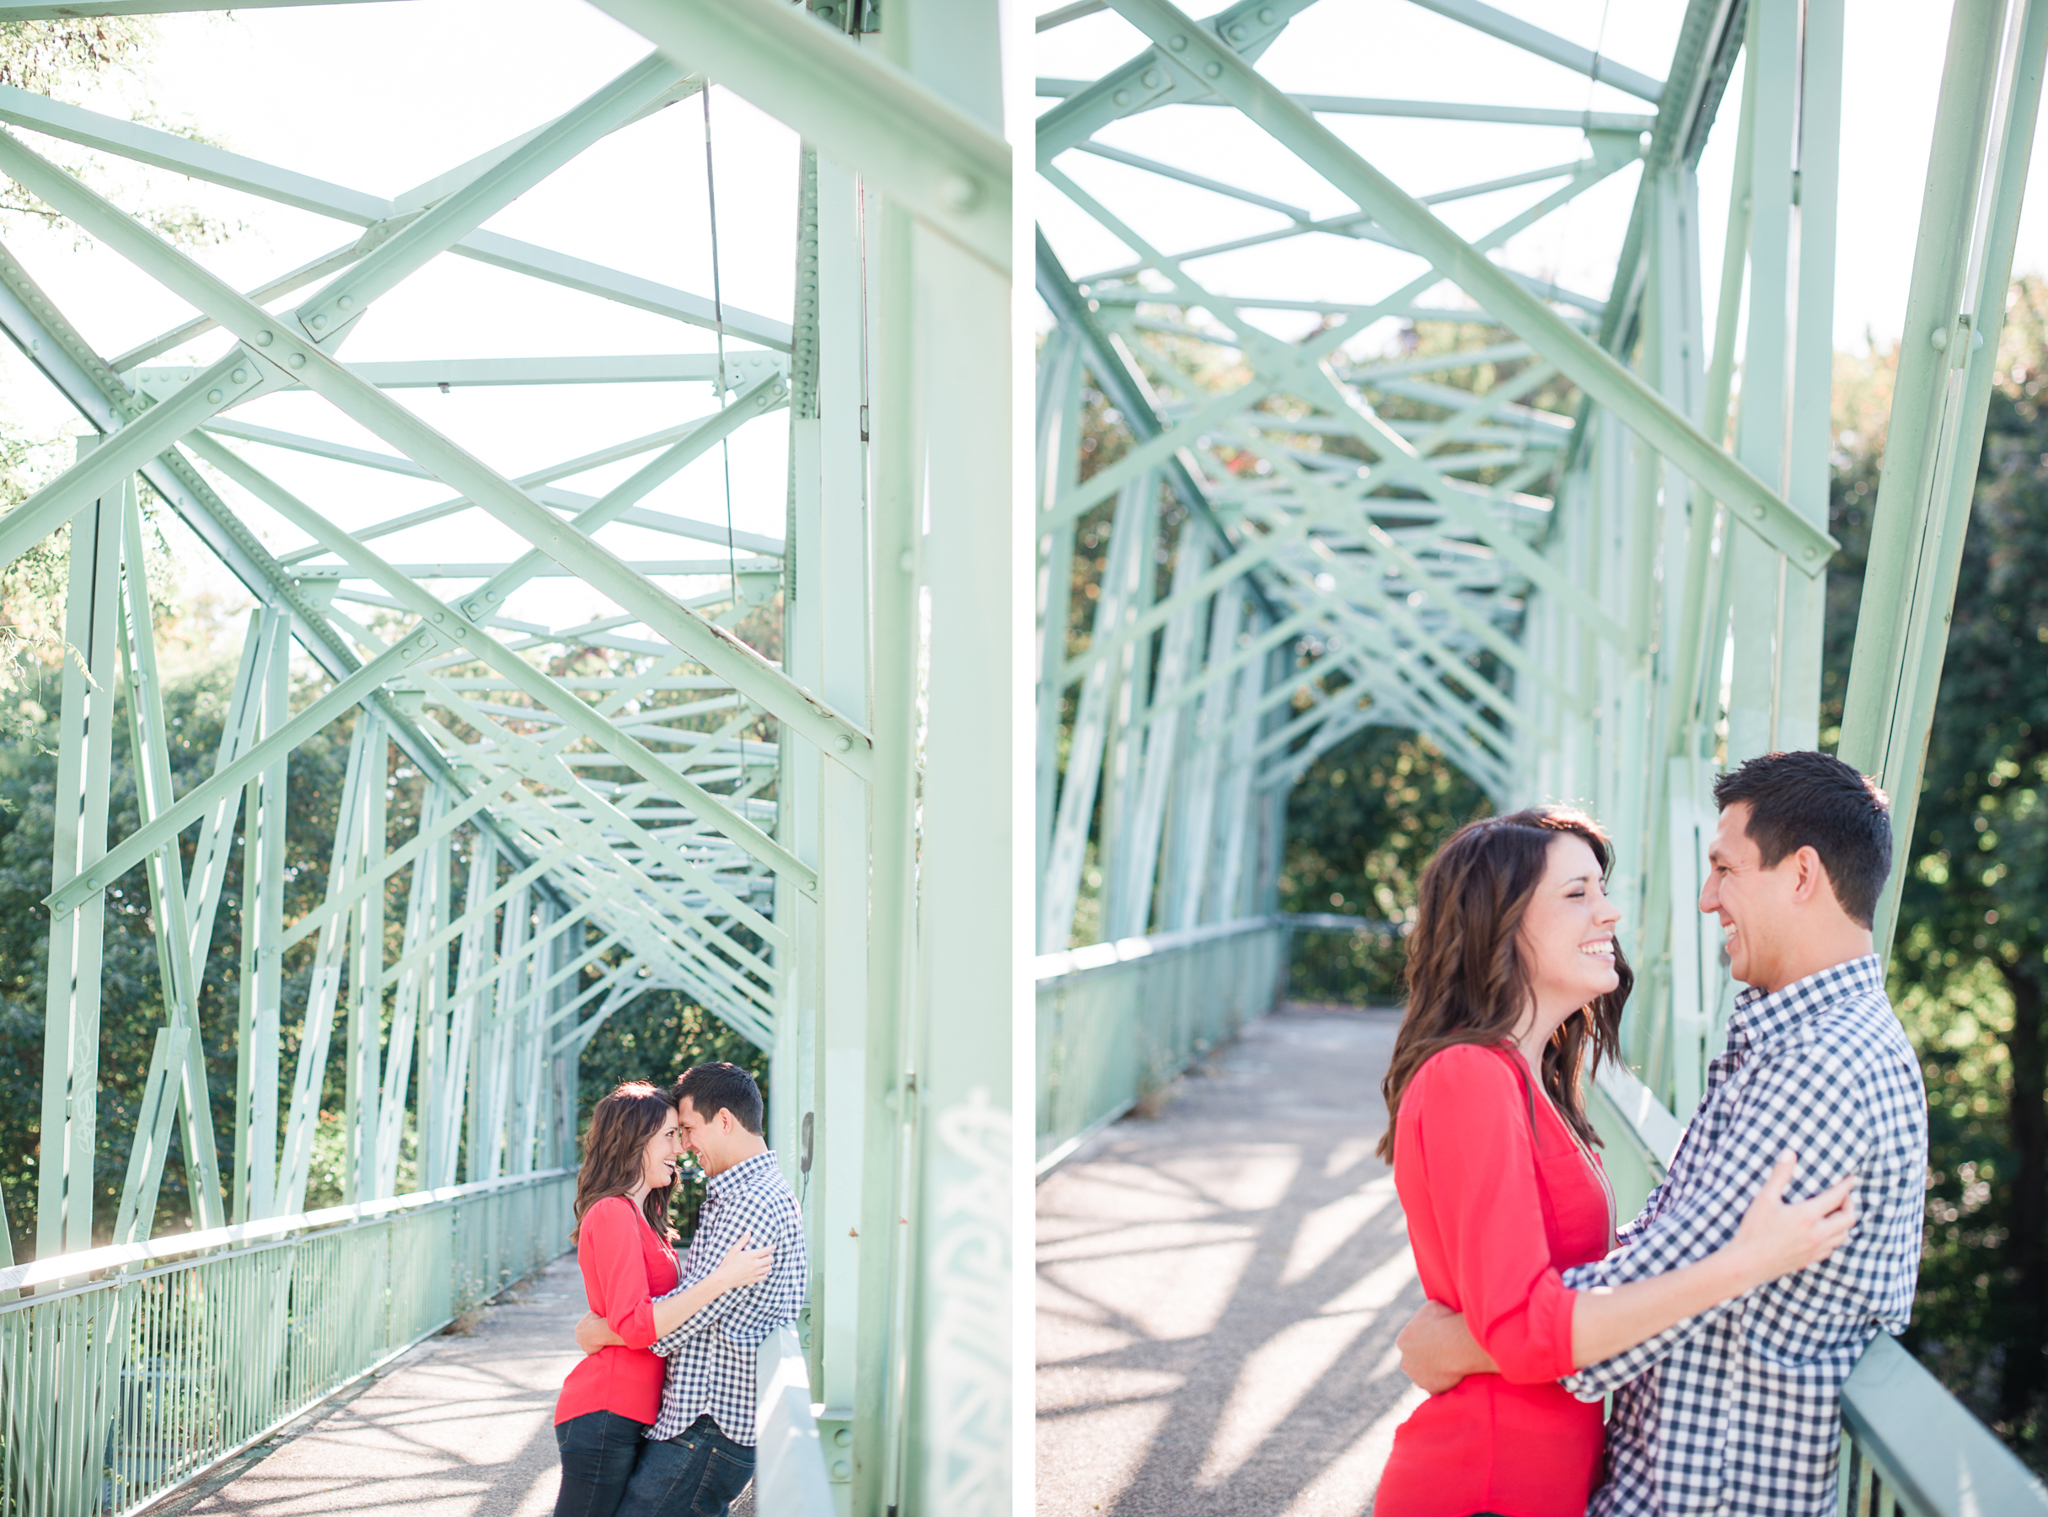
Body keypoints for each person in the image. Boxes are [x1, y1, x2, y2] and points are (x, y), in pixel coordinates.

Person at [1399, 754, 1930, 1515]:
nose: (1707, 898)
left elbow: (1667, 1265)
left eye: (1724, 868)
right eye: (1578, 894)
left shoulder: (1825, 1063)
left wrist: (1468, 1341)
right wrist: (1509, 1326)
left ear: (1803, 873)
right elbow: (1671, 1249)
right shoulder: (1784, 1047)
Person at [575, 1062, 809, 1517]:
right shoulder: (740, 1194)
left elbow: (673, 1327)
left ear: (724, 1120)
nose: (683, 1145)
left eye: (687, 1129)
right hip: (701, 1419)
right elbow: (694, 1301)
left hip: (709, 1422)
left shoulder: (753, 1203)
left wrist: (600, 1331)